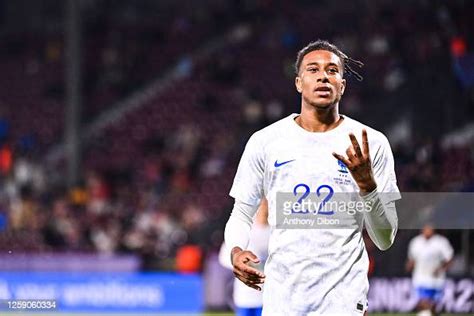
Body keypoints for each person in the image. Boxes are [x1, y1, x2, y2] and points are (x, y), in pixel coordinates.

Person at [223, 40, 401, 315]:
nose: (322, 76)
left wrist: (368, 186)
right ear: (298, 82)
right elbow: (241, 213)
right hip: (282, 300)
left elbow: (385, 238)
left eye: (332, 70)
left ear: (342, 84)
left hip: (343, 301)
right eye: (313, 69)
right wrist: (236, 250)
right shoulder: (266, 142)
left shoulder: (371, 143)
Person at [219, 198, 270, 316]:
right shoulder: (244, 230)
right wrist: (242, 263)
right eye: (262, 204)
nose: (265, 207)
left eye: (267, 204)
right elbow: (224, 256)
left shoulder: (277, 231)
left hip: (270, 297)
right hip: (245, 297)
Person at [406, 224, 454, 316]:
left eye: (429, 228)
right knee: (423, 301)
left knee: (434, 305)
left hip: (437, 278)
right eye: (425, 228)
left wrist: (441, 268)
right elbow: (412, 259)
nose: (427, 230)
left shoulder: (441, 242)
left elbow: (449, 259)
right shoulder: (416, 242)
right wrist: (409, 265)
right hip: (420, 277)